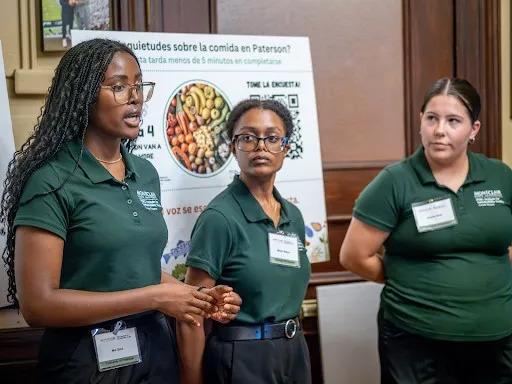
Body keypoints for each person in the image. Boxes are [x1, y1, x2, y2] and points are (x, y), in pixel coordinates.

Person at [0, 38, 241, 383]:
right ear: (83, 95)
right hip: (85, 360)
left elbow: (133, 268)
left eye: (139, 86)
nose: (136, 98)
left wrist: (195, 297)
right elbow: (38, 305)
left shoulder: (145, 173)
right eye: (118, 87)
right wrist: (155, 297)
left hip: (156, 351)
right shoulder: (51, 180)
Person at [339, 78, 512, 383]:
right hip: (416, 339)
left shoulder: (499, 176)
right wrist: (406, 280)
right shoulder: (394, 182)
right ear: (421, 121)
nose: (439, 130)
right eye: (432, 118)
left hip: (495, 338)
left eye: (453, 121)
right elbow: (354, 256)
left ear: (474, 130)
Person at [177, 99, 312, 384]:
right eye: (248, 137)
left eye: (272, 138)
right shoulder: (219, 218)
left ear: (285, 148)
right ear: (232, 147)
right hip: (243, 358)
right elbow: (191, 314)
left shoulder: (294, 217)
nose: (260, 146)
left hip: (294, 350)